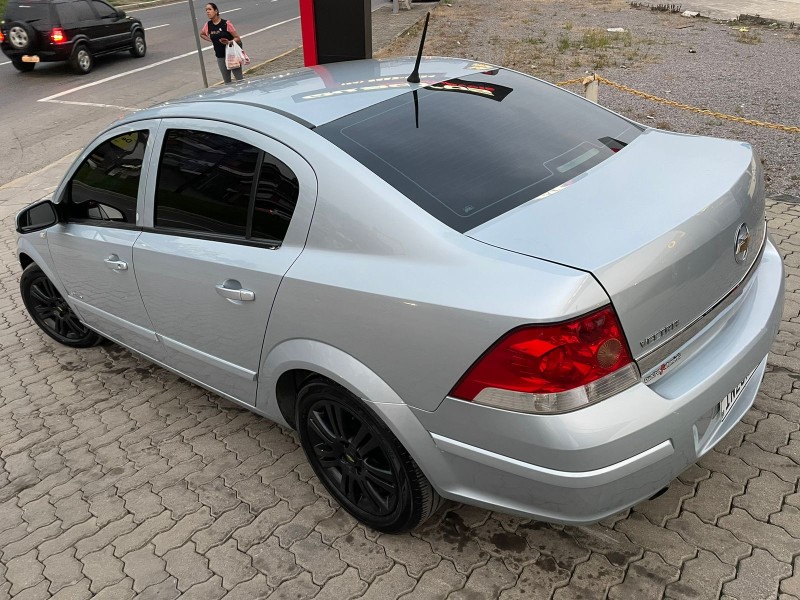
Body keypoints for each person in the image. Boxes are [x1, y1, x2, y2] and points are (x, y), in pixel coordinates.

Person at [199, 3, 243, 83]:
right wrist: (211, 40)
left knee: (239, 80)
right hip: (220, 56)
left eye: (210, 9)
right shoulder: (208, 25)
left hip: (232, 55)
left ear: (216, 11)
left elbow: (237, 38)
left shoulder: (226, 23)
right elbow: (202, 34)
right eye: (206, 10)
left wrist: (228, 42)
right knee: (227, 82)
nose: (207, 12)